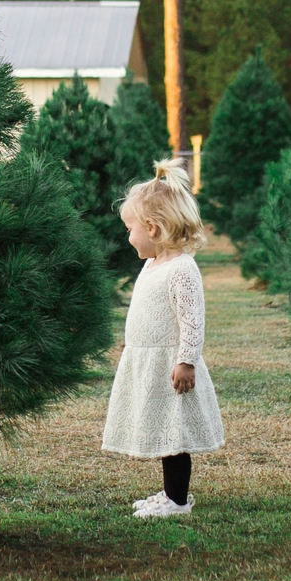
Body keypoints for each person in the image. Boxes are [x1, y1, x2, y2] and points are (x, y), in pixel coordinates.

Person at [103, 159, 225, 518]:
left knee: (175, 435)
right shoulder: (153, 264)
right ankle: (171, 493)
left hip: (171, 366)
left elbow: (192, 321)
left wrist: (186, 361)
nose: (128, 237)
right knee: (163, 432)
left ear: (153, 229)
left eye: (130, 229)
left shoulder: (182, 269)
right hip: (149, 361)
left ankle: (178, 501)